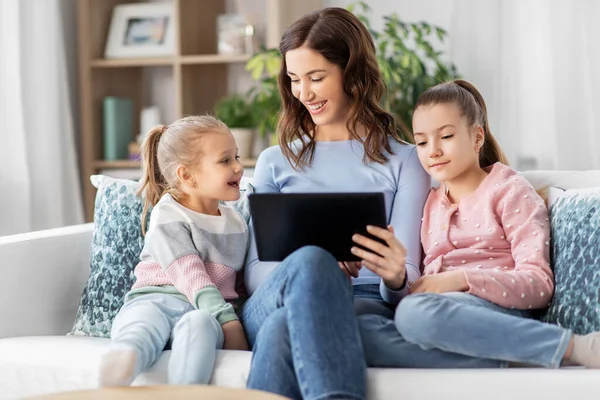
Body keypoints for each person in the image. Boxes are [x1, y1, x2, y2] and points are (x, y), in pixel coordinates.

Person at [241, 7, 430, 400]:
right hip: (275, 297)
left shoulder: (406, 160)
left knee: (281, 331)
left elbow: (405, 276)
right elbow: (256, 272)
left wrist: (395, 277)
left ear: (353, 74)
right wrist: (319, 269)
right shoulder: (274, 161)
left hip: (363, 305)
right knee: (313, 262)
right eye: (294, 79)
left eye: (316, 77)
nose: (303, 93)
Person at [358, 79, 600, 369]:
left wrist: (460, 279)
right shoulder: (430, 203)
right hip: (442, 316)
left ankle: (572, 346)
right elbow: (420, 288)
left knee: (414, 313)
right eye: (421, 141)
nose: (432, 150)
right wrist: (395, 278)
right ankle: (514, 354)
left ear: (477, 137)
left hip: (497, 310)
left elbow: (539, 284)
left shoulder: (510, 191)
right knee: (357, 331)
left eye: (445, 136)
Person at [98, 116, 249, 387]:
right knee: (140, 328)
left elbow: (238, 285)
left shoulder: (237, 222)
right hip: (153, 300)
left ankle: (184, 392)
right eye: (225, 160)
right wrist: (229, 322)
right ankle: (120, 367)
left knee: (200, 324)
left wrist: (232, 317)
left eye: (236, 157)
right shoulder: (167, 213)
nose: (239, 167)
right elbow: (190, 273)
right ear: (186, 175)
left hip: (202, 313)